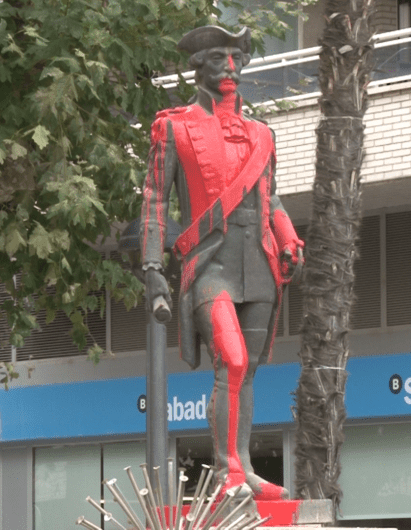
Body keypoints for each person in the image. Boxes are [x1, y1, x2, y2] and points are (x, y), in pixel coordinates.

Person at [141, 25, 303, 501]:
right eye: (219, 59)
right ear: (200, 66)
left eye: (236, 58)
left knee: (247, 369)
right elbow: (153, 200)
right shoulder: (173, 127)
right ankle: (227, 470)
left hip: (259, 261)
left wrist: (289, 238)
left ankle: (244, 467)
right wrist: (153, 269)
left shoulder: (262, 135)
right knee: (229, 360)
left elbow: (270, 199)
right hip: (210, 261)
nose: (230, 68)